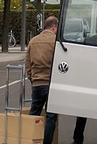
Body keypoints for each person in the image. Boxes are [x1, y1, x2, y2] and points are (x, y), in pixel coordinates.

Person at [26, 15, 58, 144]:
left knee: (34, 113)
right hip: (50, 83)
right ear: (54, 27)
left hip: (37, 83)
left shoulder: (33, 41)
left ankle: (30, 139)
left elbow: (27, 64)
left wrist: (32, 78)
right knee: (50, 116)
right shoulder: (55, 41)